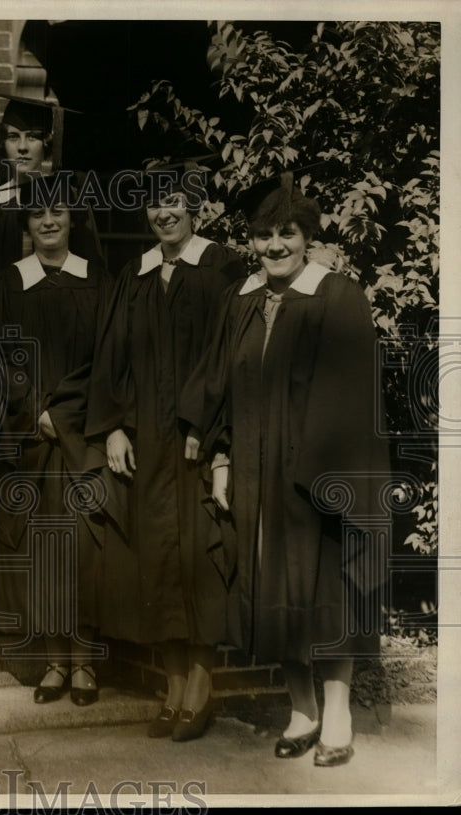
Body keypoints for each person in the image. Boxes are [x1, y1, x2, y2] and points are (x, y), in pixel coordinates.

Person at [181, 172, 389, 766]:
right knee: (271, 587)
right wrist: (221, 455)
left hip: (314, 475)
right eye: (264, 234)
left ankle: (339, 715)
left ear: (308, 238)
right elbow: (221, 384)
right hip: (254, 474)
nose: (274, 246)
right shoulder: (241, 299)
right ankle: (302, 709)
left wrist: (320, 473)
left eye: (287, 234)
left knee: (324, 588)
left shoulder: (337, 294)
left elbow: (352, 395)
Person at [85, 165, 246, 741]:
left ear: (195, 208)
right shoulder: (136, 274)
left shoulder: (224, 268)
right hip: (148, 445)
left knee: (200, 560)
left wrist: (213, 428)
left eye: (174, 202)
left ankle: (200, 687)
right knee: (157, 559)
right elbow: (112, 361)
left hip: (198, 442)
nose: (163, 213)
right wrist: (113, 429)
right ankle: (173, 685)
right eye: (154, 205)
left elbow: (232, 359)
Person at [0, 176, 111, 706]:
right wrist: (33, 406)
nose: (49, 221)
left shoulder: (99, 281)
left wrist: (63, 412)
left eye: (58, 211)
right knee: (41, 549)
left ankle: (84, 662)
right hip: (29, 436)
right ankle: (55, 662)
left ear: (74, 218)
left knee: (81, 547)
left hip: (81, 437)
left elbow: (108, 360)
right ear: (25, 224)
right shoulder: (7, 284)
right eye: (37, 215)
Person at [0, 93, 104, 273]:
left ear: (46, 143)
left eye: (32, 137)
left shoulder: (70, 200)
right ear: (3, 143)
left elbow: (91, 270)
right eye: (13, 137)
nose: (22, 147)